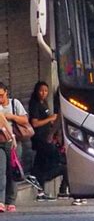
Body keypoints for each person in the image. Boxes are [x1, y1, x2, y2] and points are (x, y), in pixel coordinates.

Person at [29, 82, 86, 206]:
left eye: (46, 91)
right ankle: (49, 182)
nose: (44, 93)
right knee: (60, 164)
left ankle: (41, 190)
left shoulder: (45, 104)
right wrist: (51, 121)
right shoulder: (35, 104)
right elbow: (35, 123)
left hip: (47, 138)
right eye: (41, 91)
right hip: (41, 139)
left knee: (40, 164)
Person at [0, 82, 29, 213]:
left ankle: (10, 201)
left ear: (6, 92)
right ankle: (0, 201)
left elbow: (25, 120)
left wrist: (11, 116)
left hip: (13, 142)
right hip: (1, 140)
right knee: (1, 170)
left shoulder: (14, 103)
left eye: (1, 95)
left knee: (12, 170)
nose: (0, 99)